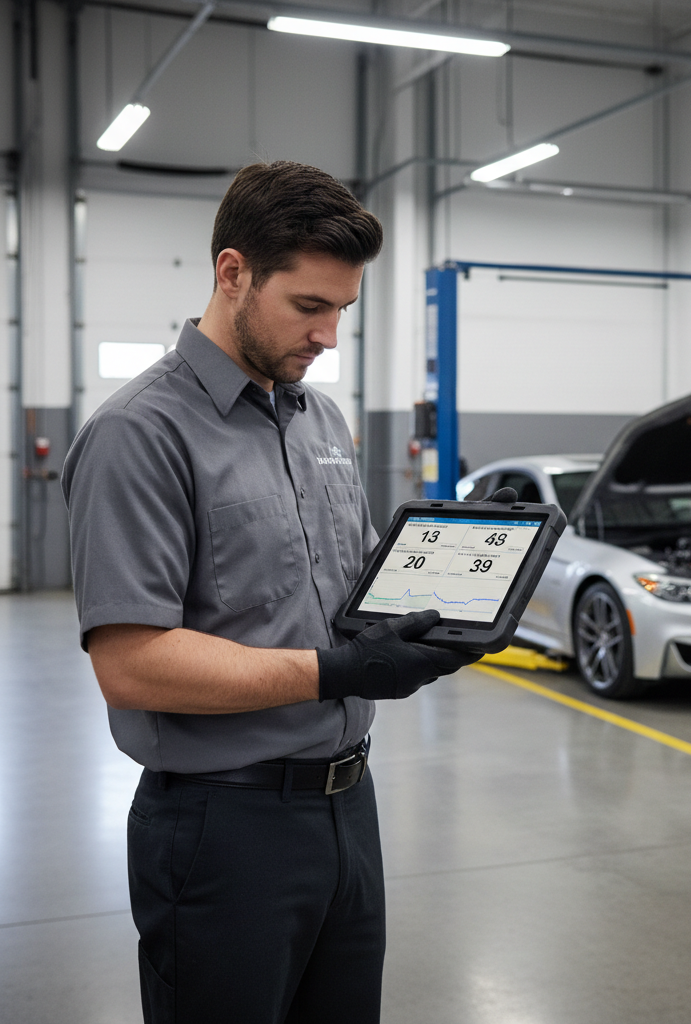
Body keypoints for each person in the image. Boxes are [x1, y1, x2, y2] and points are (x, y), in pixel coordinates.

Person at [62, 161, 479, 1024]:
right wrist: (335, 672)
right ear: (233, 273)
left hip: (348, 810)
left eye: (343, 311)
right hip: (223, 826)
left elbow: (362, 584)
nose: (329, 335)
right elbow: (133, 665)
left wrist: (462, 556)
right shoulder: (138, 433)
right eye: (309, 306)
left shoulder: (317, 418)